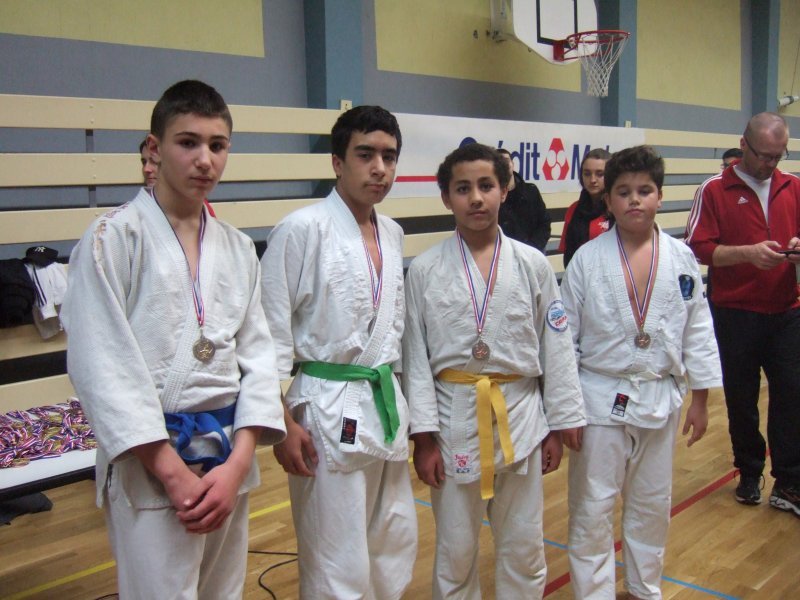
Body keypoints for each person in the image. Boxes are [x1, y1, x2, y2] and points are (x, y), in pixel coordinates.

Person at [61, 80, 286, 598]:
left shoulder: (237, 247)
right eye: (188, 142)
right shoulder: (113, 238)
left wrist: (239, 464)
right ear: (155, 148)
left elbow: (259, 358)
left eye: (218, 145)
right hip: (153, 464)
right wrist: (171, 471)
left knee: (222, 592)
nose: (205, 159)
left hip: (226, 460)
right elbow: (102, 366)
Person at [403, 143, 585, 599]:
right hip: (452, 421)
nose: (476, 198)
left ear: (505, 190)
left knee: (524, 546)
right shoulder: (424, 270)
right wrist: (423, 438)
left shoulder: (532, 265)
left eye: (486, 186)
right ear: (446, 197)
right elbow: (415, 360)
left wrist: (558, 424)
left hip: (521, 417)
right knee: (455, 550)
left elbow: (556, 345)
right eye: (463, 188)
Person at [260, 105, 417, 599]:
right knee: (336, 556)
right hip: (324, 408)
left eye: (389, 156)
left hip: (383, 400)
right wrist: (280, 421)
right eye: (365, 154)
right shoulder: (300, 229)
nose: (380, 168)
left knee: (393, 539)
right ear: (337, 162)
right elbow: (265, 334)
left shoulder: (392, 233)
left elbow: (394, 332)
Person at [562, 145, 721, 599]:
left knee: (652, 502)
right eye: (624, 191)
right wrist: (566, 409)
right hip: (598, 397)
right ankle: (593, 592)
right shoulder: (586, 259)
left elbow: (697, 327)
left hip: (659, 395)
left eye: (645, 190)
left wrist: (702, 399)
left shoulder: (681, 258)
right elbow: (565, 339)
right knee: (592, 507)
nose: (635, 199)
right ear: (608, 200)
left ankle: (643, 588)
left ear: (660, 196)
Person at [685, 112, 800, 515]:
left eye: (777, 156)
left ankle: (789, 481)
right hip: (734, 312)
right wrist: (747, 254)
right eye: (763, 155)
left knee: (792, 395)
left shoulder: (794, 186)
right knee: (741, 398)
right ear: (743, 145)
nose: (770, 164)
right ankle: (749, 472)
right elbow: (697, 248)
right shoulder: (714, 189)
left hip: (787, 309)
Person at [558, 148, 612, 267]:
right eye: (587, 174)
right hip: (577, 273)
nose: (592, 180)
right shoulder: (574, 209)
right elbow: (567, 251)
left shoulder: (617, 209)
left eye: (600, 174)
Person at [140, 137, 217, 217]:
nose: (146, 169)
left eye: (153, 161)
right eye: (144, 162)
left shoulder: (199, 208)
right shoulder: (136, 211)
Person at [497, 147, 552, 252]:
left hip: (533, 252)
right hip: (503, 254)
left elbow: (544, 222)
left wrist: (533, 248)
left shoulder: (531, 191)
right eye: (499, 162)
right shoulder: (492, 196)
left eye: (506, 160)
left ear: (512, 164)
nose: (503, 164)